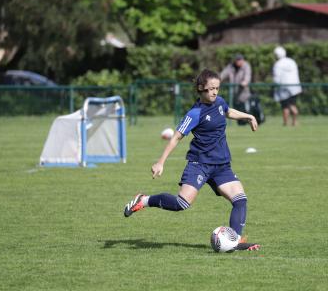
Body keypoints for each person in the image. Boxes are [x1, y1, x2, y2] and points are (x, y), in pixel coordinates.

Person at [124, 69, 259, 250]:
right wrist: (160, 162)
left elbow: (227, 111)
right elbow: (176, 137)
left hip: (221, 165)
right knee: (182, 203)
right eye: (211, 89)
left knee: (240, 200)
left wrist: (248, 116)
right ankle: (144, 200)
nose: (215, 92)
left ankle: (234, 241)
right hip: (200, 164)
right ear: (201, 88)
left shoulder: (219, 102)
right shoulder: (194, 114)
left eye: (217, 88)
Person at [273, 46, 302, 126]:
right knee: (292, 104)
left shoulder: (277, 64)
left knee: (285, 106)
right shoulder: (292, 61)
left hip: (284, 87)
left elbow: (277, 78)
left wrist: (275, 87)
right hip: (295, 86)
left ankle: (285, 123)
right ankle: (295, 122)